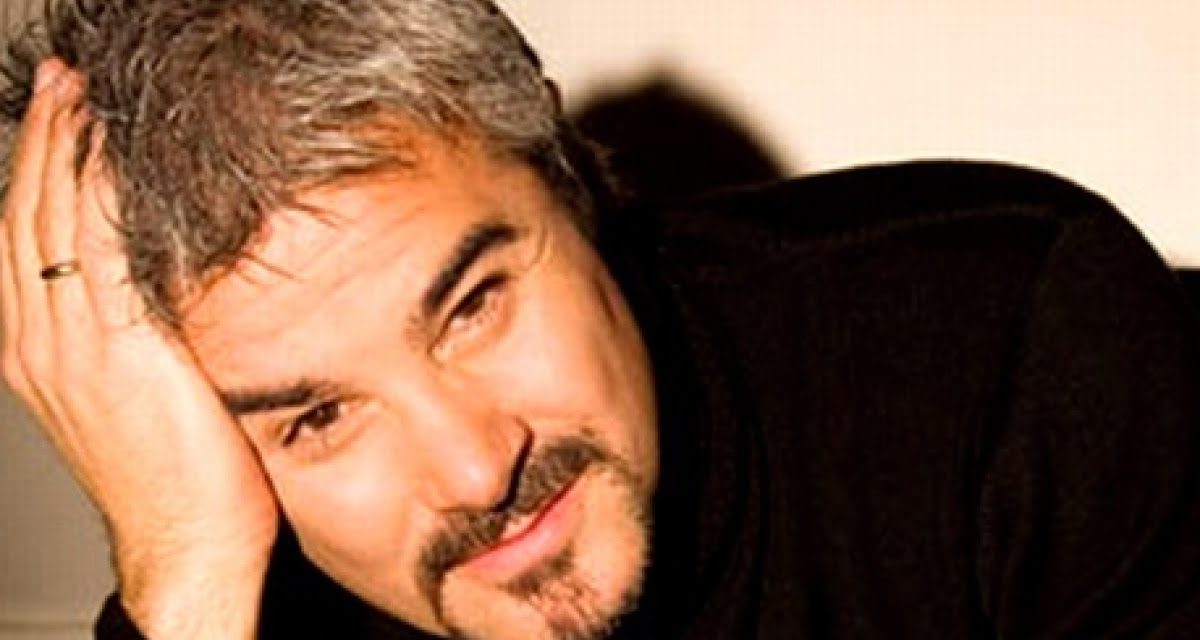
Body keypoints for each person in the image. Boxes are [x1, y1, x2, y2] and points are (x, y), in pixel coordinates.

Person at [2, 1, 1199, 639]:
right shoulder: (235, 584)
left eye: (473, 305)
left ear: (572, 175)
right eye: (317, 418)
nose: (474, 470)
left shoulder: (1013, 339)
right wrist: (190, 577)